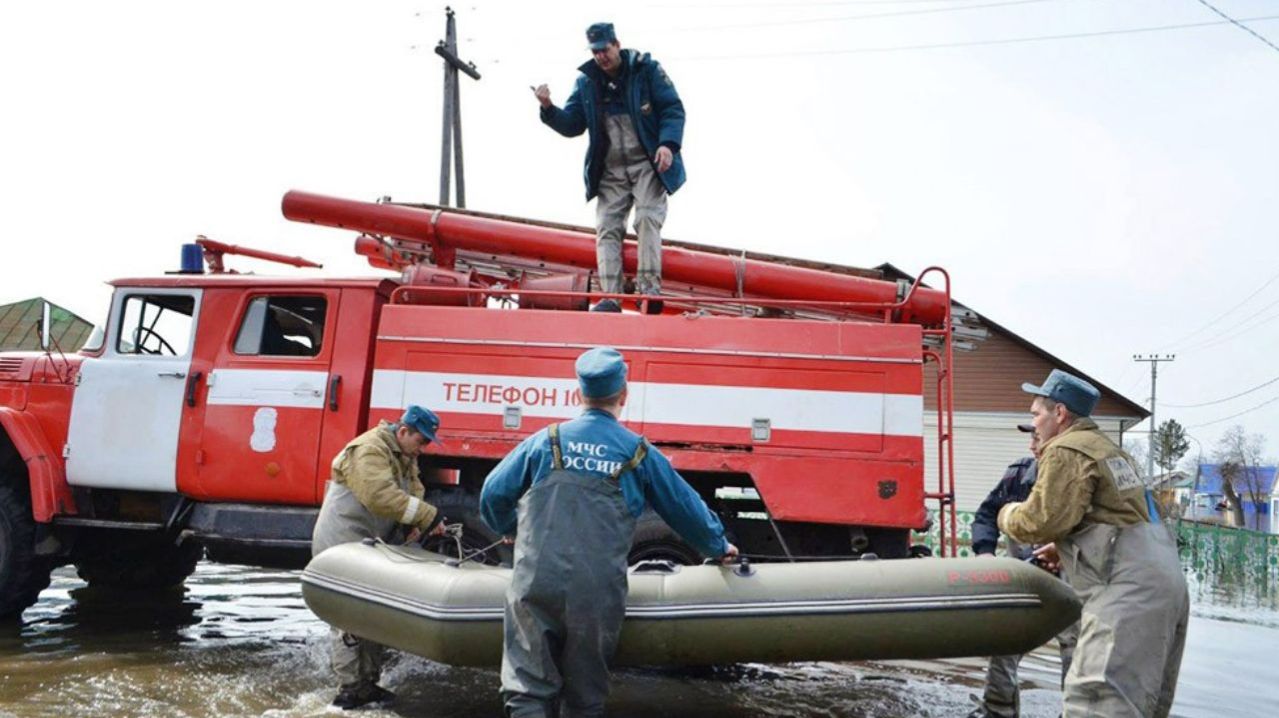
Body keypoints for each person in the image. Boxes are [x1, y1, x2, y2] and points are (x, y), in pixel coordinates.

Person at [480, 347, 738, 717]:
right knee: (584, 698)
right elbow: (684, 508)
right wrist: (718, 544)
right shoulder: (636, 452)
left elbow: (492, 494)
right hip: (595, 591)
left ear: (577, 394)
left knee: (528, 692)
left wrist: (510, 529)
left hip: (535, 581)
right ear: (624, 396)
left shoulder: (545, 440)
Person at [998, 370, 1189, 718]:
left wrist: (1006, 514)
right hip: (1165, 584)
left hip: (1126, 592)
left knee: (1097, 701)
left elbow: (1040, 521)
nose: (1034, 424)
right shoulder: (1112, 452)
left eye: (1036, 414)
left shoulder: (1066, 448)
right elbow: (1124, 516)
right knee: (1141, 704)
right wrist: (1065, 547)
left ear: (1060, 414)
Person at [533, 22, 686, 314]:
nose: (600, 57)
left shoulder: (647, 70)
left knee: (647, 219)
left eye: (604, 49)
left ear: (616, 44)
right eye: (595, 51)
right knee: (606, 228)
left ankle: (650, 292)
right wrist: (549, 108)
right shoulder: (586, 83)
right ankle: (610, 299)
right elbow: (573, 124)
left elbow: (672, 109)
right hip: (611, 170)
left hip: (647, 164)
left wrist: (667, 144)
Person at [311, 405, 449, 710]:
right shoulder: (368, 450)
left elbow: (414, 491)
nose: (423, 449)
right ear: (403, 432)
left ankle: (368, 685)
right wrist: (427, 516)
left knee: (373, 614)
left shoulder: (404, 455)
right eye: (421, 441)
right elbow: (379, 496)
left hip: (370, 544)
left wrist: (415, 524)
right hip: (341, 545)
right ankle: (349, 691)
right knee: (347, 618)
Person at [967, 424, 1079, 718]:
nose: (1032, 446)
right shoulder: (1018, 475)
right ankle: (997, 710)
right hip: (1021, 577)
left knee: (1076, 648)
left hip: (1071, 582)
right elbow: (986, 515)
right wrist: (985, 552)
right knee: (1005, 640)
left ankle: (1076, 713)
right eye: (1032, 438)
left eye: (1039, 439)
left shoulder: (1079, 478)